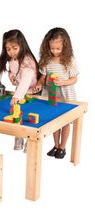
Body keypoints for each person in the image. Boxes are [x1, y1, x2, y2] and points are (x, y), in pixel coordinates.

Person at [35, 27, 78, 159]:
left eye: (58, 49)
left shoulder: (69, 61)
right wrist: (40, 83)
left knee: (65, 121)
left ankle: (62, 147)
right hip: (51, 94)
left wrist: (63, 82)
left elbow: (74, 78)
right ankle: (55, 145)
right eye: (52, 48)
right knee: (54, 120)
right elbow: (43, 76)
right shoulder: (46, 60)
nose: (54, 51)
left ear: (65, 46)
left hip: (65, 95)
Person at [0, 29, 39, 151]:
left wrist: (17, 96)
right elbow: (12, 70)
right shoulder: (12, 59)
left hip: (33, 92)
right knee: (17, 113)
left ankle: (29, 141)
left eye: (14, 48)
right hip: (20, 90)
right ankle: (19, 137)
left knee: (30, 117)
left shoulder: (27, 60)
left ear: (22, 45)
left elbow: (26, 79)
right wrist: (12, 77)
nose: (11, 52)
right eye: (8, 49)